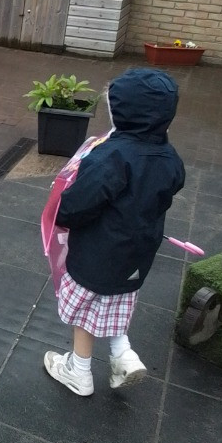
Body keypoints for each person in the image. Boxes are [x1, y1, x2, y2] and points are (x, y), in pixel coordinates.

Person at [44, 68, 186, 397]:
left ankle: (78, 371)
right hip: (138, 254)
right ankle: (123, 354)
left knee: (87, 309)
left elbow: (79, 204)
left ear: (123, 113)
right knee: (116, 301)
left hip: (99, 252)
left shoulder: (111, 156)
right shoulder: (169, 157)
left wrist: (62, 210)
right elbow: (172, 184)